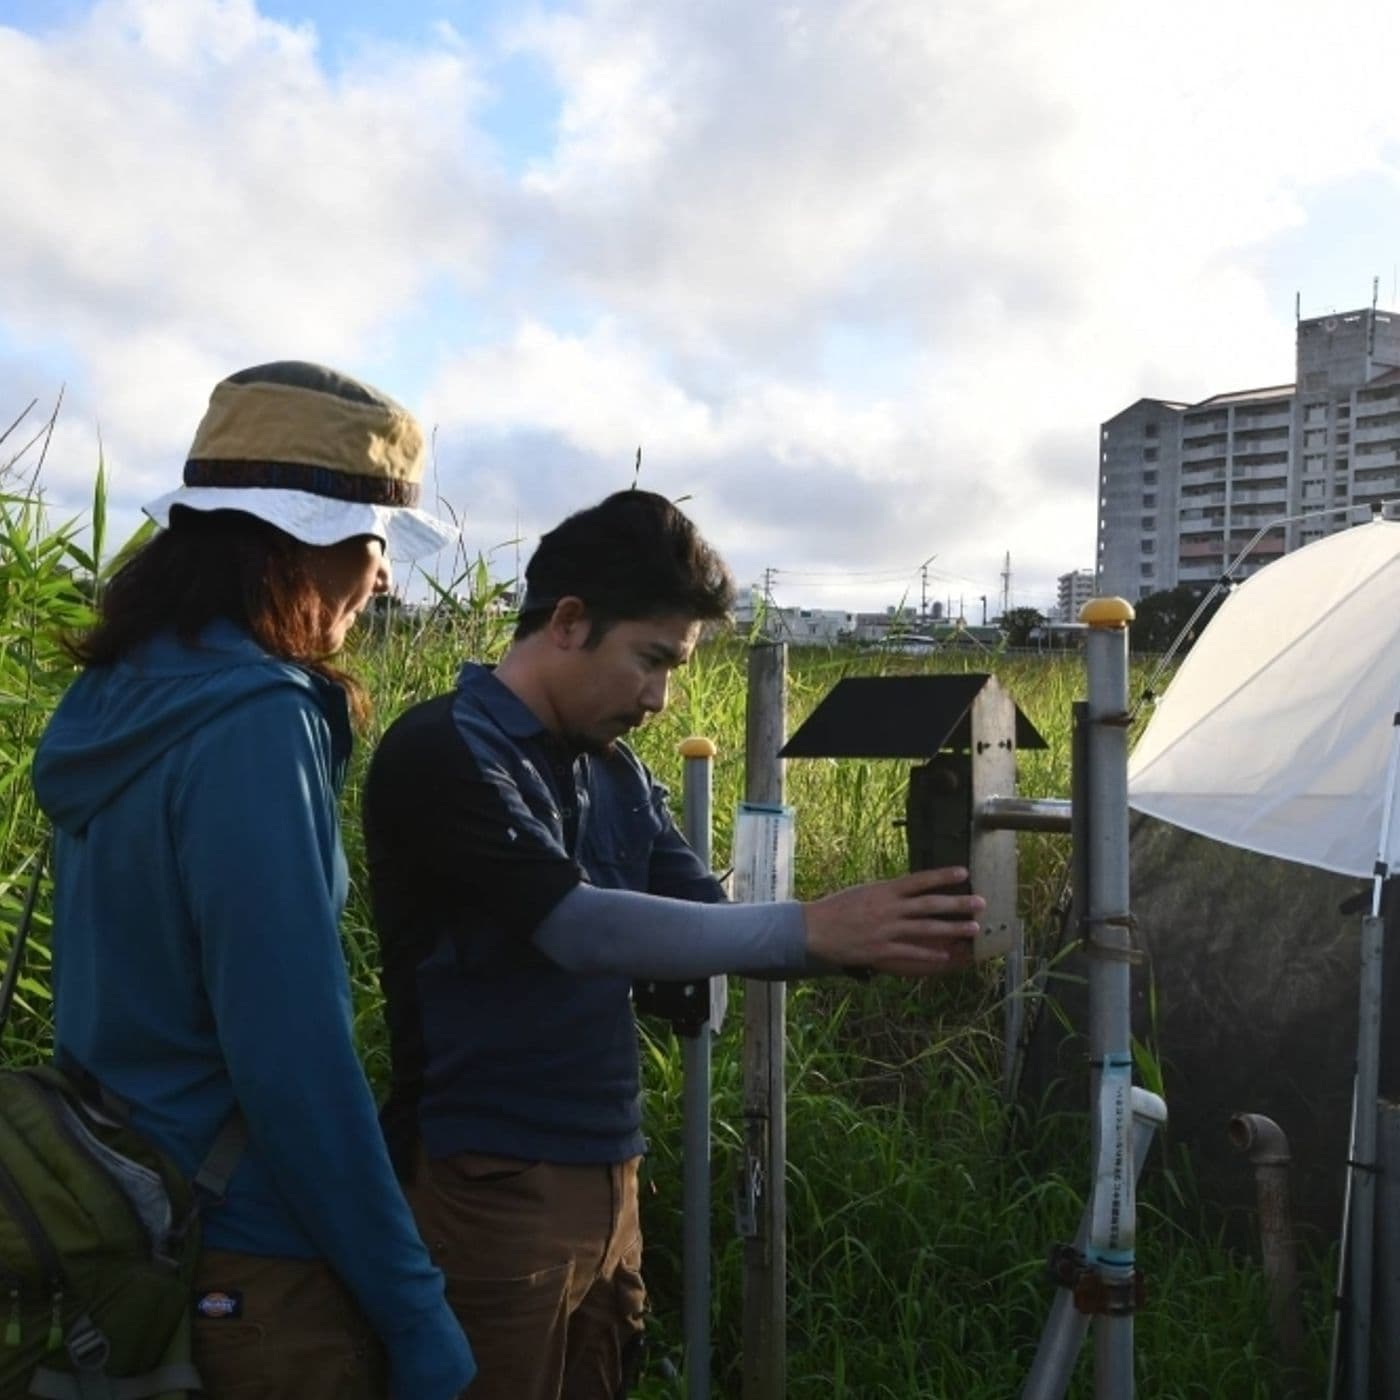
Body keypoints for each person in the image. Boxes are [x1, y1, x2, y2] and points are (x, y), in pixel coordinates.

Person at [362, 488, 983, 1400]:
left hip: (610, 1171)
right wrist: (810, 925)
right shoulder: (448, 752)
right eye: (650, 661)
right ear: (569, 622)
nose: (659, 699)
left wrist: (874, 937)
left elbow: (704, 916)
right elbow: (575, 926)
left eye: (675, 669)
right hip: (485, 1179)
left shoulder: (615, 772)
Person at [31, 361, 476, 1400]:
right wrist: (412, 1308)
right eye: (372, 542)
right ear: (298, 546)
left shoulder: (115, 696)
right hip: (246, 1249)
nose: (381, 578)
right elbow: (290, 1049)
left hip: (122, 1219)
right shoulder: (253, 720)